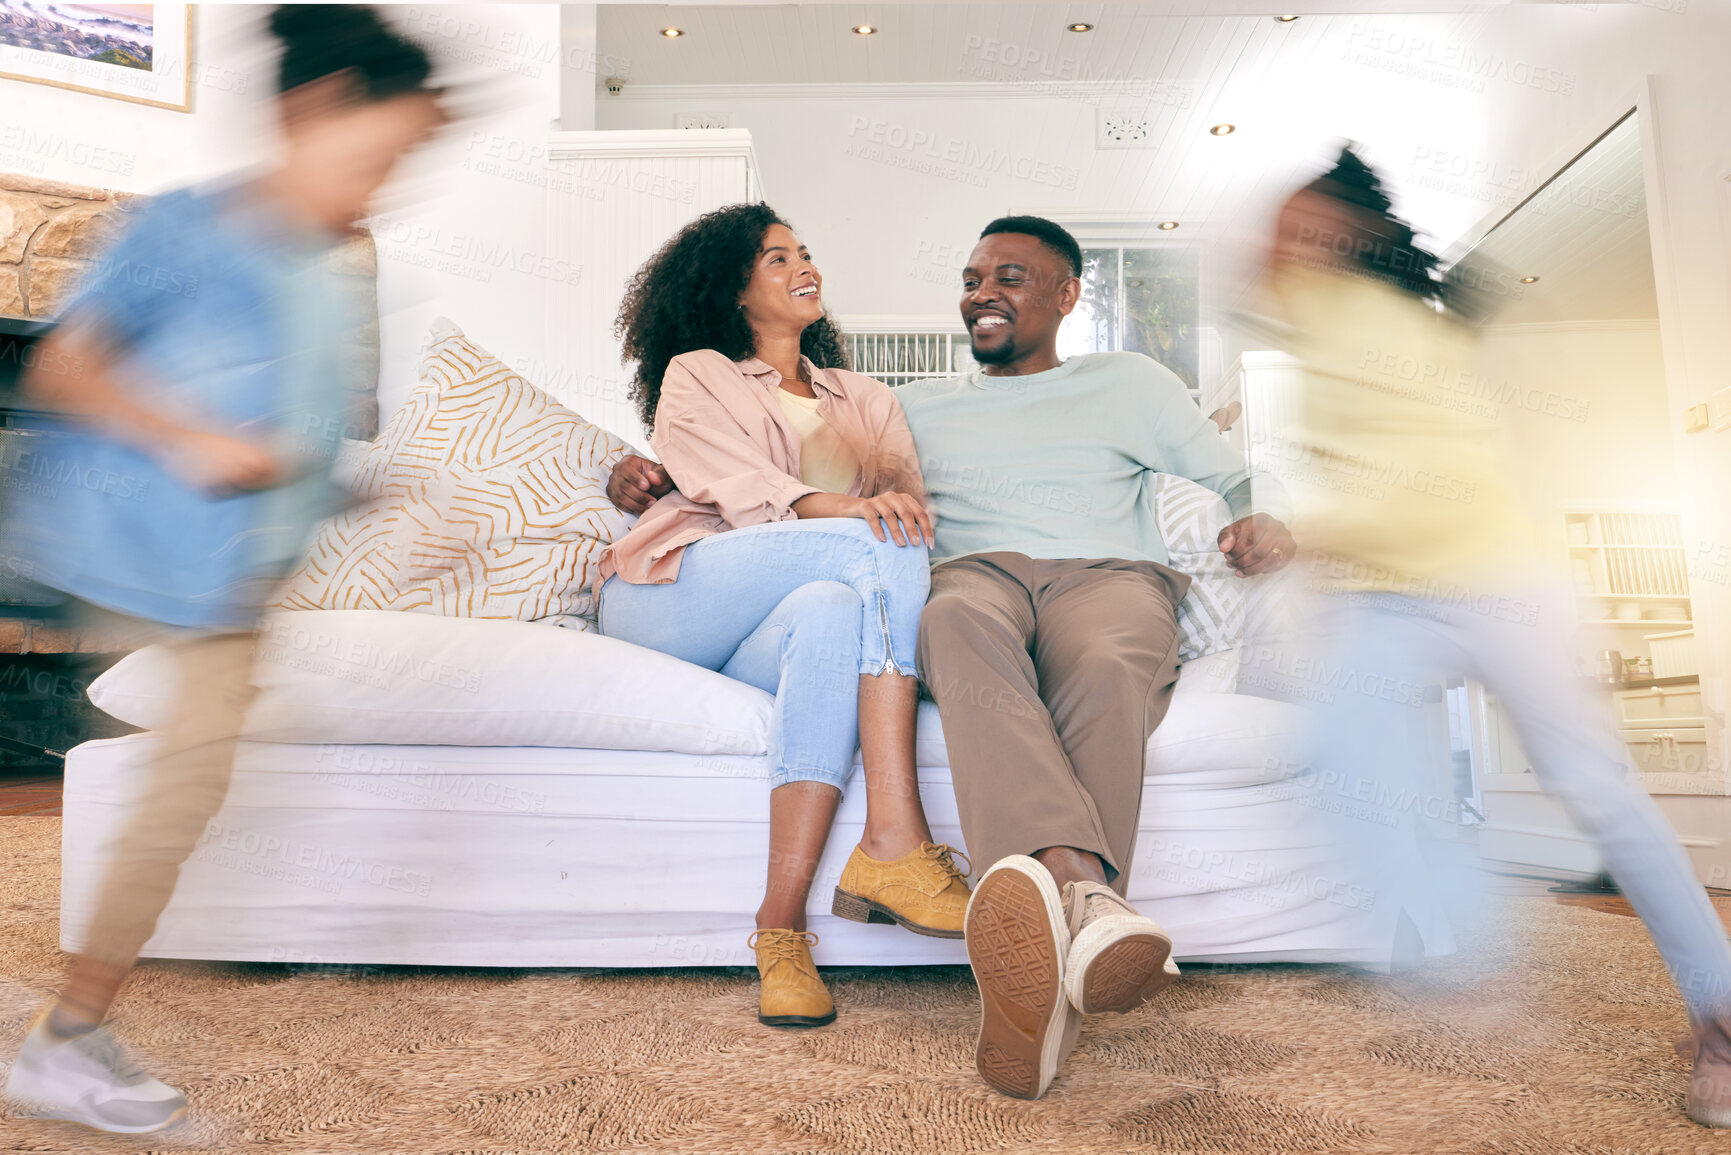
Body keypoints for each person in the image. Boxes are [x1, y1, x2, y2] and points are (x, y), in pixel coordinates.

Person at [610, 214, 1296, 1098]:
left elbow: (1234, 475)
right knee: (950, 619)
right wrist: (620, 473)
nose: (982, 293)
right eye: (972, 277)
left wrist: (1262, 513)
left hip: (1108, 575)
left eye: (1009, 277)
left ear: (1066, 295)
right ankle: (1042, 888)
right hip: (970, 579)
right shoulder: (906, 399)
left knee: (1103, 667)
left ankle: (1053, 950)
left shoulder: (1119, 381)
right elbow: (747, 474)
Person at [1, 6, 445, 1134]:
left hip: (228, 589)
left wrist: (340, 488)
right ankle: (62, 1042)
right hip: (122, 544)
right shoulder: (190, 230)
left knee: (186, 794)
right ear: (313, 108)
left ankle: (71, 1028)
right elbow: (63, 366)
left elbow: (279, 440)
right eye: (380, 154)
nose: (385, 186)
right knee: (182, 795)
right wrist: (193, 440)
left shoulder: (320, 274)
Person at [1268, 147, 1731, 1129]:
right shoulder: (1314, 339)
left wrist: (1303, 535)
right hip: (1395, 597)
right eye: (1279, 230)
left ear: (1349, 242)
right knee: (1339, 735)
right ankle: (1463, 944)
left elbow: (1423, 490)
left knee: (1601, 794)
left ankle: (1723, 1017)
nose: (1279, 247)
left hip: (1497, 580)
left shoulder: (1383, 330)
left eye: (1303, 230)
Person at [595, 203, 971, 1030]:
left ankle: (781, 929)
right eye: (775, 258)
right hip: (677, 590)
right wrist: (851, 510)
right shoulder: (699, 373)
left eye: (804, 252)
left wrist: (874, 515)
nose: (804, 266)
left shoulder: (866, 397)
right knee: (873, 543)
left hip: (799, 602)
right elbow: (737, 493)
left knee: (840, 607)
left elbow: (905, 501)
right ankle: (896, 842)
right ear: (732, 292)